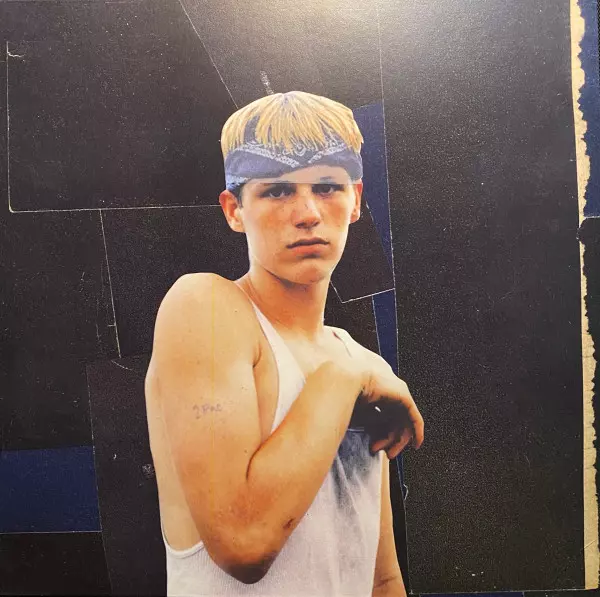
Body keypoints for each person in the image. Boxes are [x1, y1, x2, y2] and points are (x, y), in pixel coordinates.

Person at [144, 90, 425, 597]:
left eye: (327, 187)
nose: (308, 212)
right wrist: (344, 378)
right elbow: (243, 543)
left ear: (356, 200)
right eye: (276, 191)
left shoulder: (362, 362)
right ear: (234, 210)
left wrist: (352, 371)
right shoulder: (205, 308)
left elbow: (381, 578)